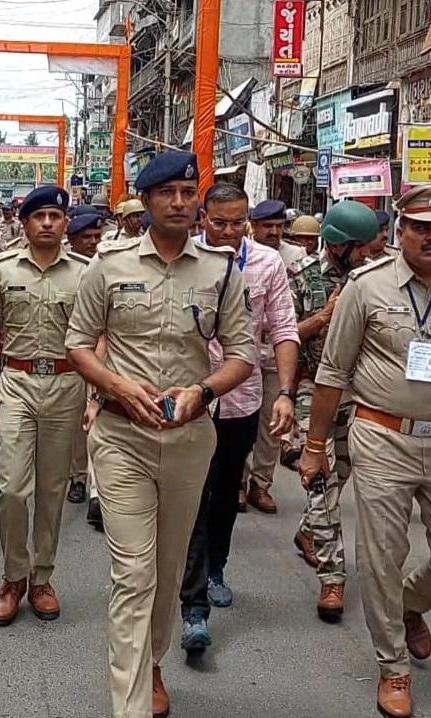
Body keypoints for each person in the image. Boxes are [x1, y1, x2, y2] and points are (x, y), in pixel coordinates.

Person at [298, 184, 431, 718]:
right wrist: (314, 444)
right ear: (401, 231)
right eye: (422, 227)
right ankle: (392, 665)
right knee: (383, 555)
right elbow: (332, 371)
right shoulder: (365, 287)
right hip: (382, 435)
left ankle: (410, 605)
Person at [66, 150, 255, 718]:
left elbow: (244, 353)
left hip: (190, 439)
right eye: (166, 192)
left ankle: (151, 661)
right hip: (121, 438)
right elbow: (78, 344)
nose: (180, 201)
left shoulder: (221, 270)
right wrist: (120, 389)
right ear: (145, 202)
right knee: (133, 571)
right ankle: (129, 705)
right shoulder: (109, 265)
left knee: (170, 568)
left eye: (187, 192)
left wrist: (204, 391)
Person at [179, 183, 297, 652]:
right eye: (219, 222)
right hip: (189, 400)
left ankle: (215, 568)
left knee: (226, 493)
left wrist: (285, 392)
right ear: (202, 219)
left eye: (237, 223)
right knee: (193, 495)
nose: (228, 231)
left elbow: (284, 328)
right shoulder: (184, 259)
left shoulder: (268, 264)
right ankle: (192, 604)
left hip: (243, 400)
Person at [0, 185, 90, 626]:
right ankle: (12, 576)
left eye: (55, 217)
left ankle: (42, 578)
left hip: (67, 384)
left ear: (65, 224)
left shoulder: (84, 272)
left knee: (52, 490)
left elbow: (97, 336)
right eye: (38, 216)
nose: (47, 223)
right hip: (18, 382)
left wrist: (93, 396)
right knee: (11, 489)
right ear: (24, 223)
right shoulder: (3, 270)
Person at [287, 199, 381, 620]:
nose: (368, 254)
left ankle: (310, 529)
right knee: (321, 478)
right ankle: (332, 576)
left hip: (363, 394)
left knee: (344, 471)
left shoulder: (380, 281)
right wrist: (324, 317)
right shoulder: (304, 281)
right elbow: (283, 336)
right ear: (338, 245)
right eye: (360, 247)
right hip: (314, 388)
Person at [240, 198, 306, 514]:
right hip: (241, 353)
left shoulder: (298, 258)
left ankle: (260, 484)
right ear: (254, 226)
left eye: (280, 226)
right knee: (237, 420)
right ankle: (237, 482)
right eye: (268, 226)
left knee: (271, 424)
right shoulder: (238, 253)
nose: (274, 232)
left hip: (276, 353)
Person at [62, 212, 105, 510]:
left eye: (96, 237)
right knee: (75, 422)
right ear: (72, 240)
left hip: (104, 356)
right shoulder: (64, 269)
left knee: (95, 421)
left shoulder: (107, 267)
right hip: (70, 357)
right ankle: (76, 476)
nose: (92, 242)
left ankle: (90, 484)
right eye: (85, 238)